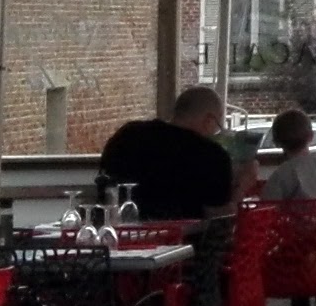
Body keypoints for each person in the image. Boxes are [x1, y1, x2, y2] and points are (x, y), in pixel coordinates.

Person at [98, 82, 242, 221]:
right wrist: (243, 184)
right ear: (209, 120)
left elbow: (104, 186)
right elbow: (220, 220)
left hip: (121, 230)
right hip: (185, 236)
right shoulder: (212, 155)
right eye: (218, 126)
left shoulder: (127, 135)